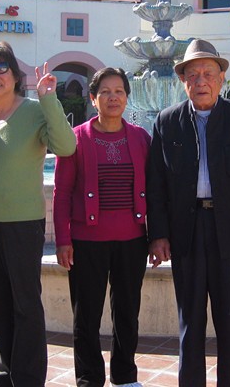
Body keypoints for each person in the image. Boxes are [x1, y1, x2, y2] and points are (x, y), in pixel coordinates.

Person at [146, 39, 230, 387]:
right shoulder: (167, 122)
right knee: (190, 320)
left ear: (221, 79)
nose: (200, 81)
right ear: (183, 81)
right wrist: (158, 234)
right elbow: (155, 184)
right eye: (193, 75)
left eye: (208, 73)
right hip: (186, 233)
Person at [0, 41, 76, 387]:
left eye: (0, 68)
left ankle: (27, 379)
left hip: (23, 223)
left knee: (25, 306)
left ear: (15, 75)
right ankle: (6, 373)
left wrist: (49, 99)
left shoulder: (33, 110)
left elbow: (66, 146)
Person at [53, 67, 151, 387]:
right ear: (93, 99)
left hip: (132, 240)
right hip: (87, 242)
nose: (113, 97)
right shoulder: (77, 138)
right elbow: (62, 192)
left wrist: (157, 236)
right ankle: (89, 379)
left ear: (126, 97)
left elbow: (155, 189)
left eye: (119, 91)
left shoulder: (140, 138)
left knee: (127, 313)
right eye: (105, 92)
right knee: (86, 316)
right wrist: (63, 239)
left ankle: (125, 376)